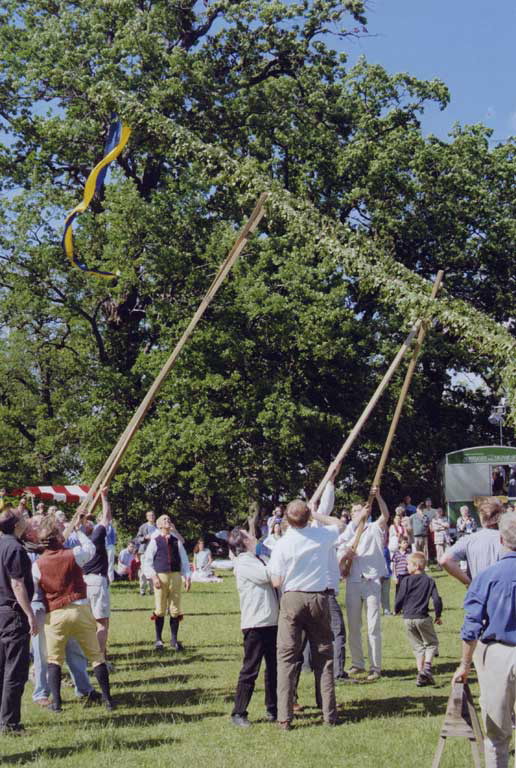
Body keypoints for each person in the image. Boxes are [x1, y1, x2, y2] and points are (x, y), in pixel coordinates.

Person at [269, 497, 341, 729]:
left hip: (292, 598)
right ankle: (329, 715)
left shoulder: (282, 543)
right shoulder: (321, 536)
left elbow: (277, 580)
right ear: (307, 517)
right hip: (318, 597)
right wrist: (315, 515)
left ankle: (284, 717)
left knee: (286, 658)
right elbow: (339, 523)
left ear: (287, 520)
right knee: (325, 657)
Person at [32, 510, 115, 711]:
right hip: (79, 609)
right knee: (96, 656)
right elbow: (90, 548)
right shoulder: (74, 555)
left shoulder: (37, 564)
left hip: (55, 614)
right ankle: (108, 700)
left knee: (54, 660)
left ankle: (58, 704)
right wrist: (78, 530)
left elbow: (37, 590)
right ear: (59, 538)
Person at [452, 511, 516, 768]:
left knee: (497, 735)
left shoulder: (487, 577)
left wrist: (464, 665)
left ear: (501, 540)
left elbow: (471, 627)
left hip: (497, 656)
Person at [337, 487, 389, 681]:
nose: (353, 514)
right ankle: (357, 664)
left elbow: (386, 515)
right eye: (352, 511)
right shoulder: (348, 532)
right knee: (353, 625)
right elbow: (341, 560)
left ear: (365, 510)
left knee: (373, 625)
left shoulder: (375, 527)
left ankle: (375, 667)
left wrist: (378, 496)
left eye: (357, 510)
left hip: (372, 580)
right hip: (353, 581)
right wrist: (345, 557)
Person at [228, 527, 279, 727]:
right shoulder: (244, 562)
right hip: (256, 623)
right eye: (249, 535)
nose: (254, 536)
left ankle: (273, 708)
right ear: (243, 542)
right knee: (251, 669)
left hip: (270, 621)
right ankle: (238, 712)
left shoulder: (257, 558)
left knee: (273, 668)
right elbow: (269, 576)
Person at [0, 508, 37, 733]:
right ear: (16, 525)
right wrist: (29, 614)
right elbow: (17, 583)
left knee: (2, 667)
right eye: (22, 518)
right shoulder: (14, 548)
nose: (25, 520)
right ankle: (10, 723)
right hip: (13, 613)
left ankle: (4, 717)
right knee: (15, 670)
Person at [143, 514, 191, 651]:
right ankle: (158, 640)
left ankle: (174, 640)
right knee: (160, 608)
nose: (167, 521)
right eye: (164, 520)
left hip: (175, 576)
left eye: (169, 519)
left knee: (175, 609)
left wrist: (187, 577)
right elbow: (148, 562)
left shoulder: (177, 541)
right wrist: (153, 577)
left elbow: (184, 561)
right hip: (161, 576)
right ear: (158, 525)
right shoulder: (155, 541)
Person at [395, 552, 442, 686]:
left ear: (416, 566)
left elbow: (400, 597)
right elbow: (437, 600)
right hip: (422, 617)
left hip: (408, 618)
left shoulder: (406, 580)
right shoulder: (429, 580)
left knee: (418, 647)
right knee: (431, 643)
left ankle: (421, 674)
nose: (406, 567)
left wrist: (397, 609)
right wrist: (438, 615)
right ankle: (426, 669)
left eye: (408, 564)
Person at [440, 500, 503, 585]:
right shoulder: (509, 538)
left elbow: (445, 560)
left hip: (478, 591)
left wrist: (468, 582)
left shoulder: (468, 540)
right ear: (500, 516)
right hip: (503, 592)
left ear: (481, 517)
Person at [82, 488, 112, 661]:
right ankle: (99, 658)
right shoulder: (96, 536)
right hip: (96, 580)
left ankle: (91, 654)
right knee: (102, 621)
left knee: (88, 622)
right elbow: (106, 517)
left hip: (83, 581)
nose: (92, 522)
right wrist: (104, 497)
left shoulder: (76, 539)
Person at [136, 511, 157, 595]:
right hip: (144, 551)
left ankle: (152, 590)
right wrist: (145, 538)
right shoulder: (143, 527)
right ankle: (142, 590)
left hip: (155, 552)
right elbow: (137, 538)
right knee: (144, 571)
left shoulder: (158, 526)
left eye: (153, 515)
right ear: (147, 517)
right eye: (150, 515)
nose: (151, 516)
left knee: (154, 570)